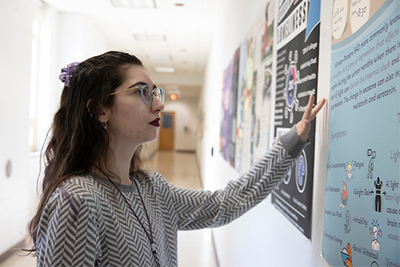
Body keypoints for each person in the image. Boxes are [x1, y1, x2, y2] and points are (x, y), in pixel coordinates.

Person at [28, 51, 325, 266]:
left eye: (155, 92)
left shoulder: (152, 188)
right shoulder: (78, 200)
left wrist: (293, 139)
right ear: (100, 110)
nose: (158, 104)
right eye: (142, 92)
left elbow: (225, 204)